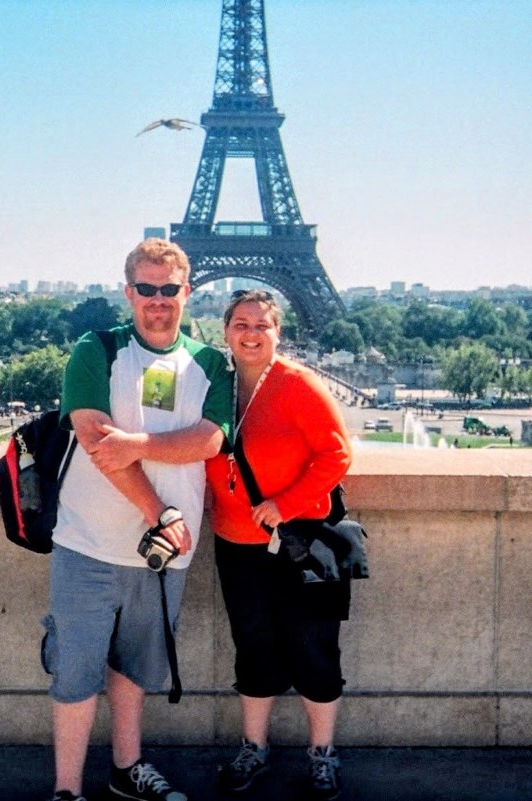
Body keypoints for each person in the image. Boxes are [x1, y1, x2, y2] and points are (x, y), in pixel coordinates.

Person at [42, 238, 231, 801]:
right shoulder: (94, 349)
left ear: (186, 292)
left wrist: (138, 444)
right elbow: (97, 440)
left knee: (134, 669)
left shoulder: (210, 362)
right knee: (76, 673)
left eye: (168, 289)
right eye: (145, 289)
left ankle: (126, 768)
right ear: (129, 293)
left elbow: (211, 439)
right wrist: (160, 510)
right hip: (90, 545)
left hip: (165, 556)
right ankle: (67, 789)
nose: (157, 299)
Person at [205, 290, 353, 801]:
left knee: (314, 649)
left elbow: (337, 455)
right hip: (237, 543)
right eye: (241, 323)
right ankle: (254, 747)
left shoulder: (298, 384)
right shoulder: (215, 388)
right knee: (254, 649)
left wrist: (286, 504)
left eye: (261, 325)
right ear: (225, 331)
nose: (251, 333)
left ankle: (322, 753)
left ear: (278, 332)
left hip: (301, 541)